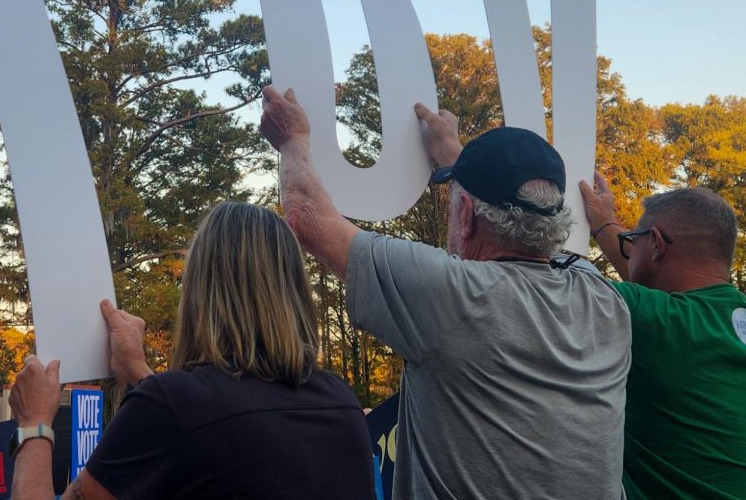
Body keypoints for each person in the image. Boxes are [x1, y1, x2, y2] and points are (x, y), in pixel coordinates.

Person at [260, 85, 631, 499]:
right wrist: (460, 159)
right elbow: (531, 232)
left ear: (467, 215)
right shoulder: (602, 297)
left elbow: (307, 217)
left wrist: (292, 139)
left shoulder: (455, 296)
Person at [7, 201, 375, 500]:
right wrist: (138, 370)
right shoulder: (340, 403)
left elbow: (195, 423)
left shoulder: (173, 406)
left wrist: (34, 425)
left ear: (201, 292)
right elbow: (215, 435)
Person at [580, 177, 746, 499]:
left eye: (633, 241)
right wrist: (605, 225)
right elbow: (650, 276)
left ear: (655, 244)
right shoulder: (700, 317)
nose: (628, 249)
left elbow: (537, 285)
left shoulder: (650, 318)